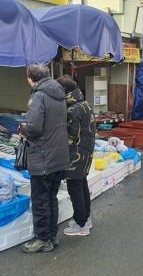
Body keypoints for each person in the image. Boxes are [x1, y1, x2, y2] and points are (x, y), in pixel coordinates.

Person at [20, 64, 69, 253]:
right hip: (58, 155)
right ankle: (51, 236)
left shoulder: (38, 96)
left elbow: (34, 128)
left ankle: (42, 239)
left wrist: (22, 129)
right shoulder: (59, 94)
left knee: (40, 200)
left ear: (30, 77)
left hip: (43, 156)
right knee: (51, 198)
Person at [56, 76, 96, 236]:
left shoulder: (72, 109)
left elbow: (71, 138)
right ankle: (85, 218)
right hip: (86, 152)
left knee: (75, 189)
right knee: (82, 185)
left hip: (76, 155)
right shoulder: (84, 104)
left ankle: (81, 225)